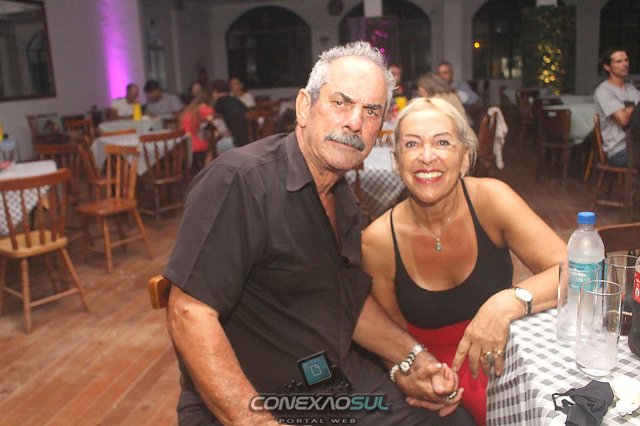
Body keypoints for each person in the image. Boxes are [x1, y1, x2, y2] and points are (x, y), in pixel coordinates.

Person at [163, 41, 474, 425]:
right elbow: (189, 313)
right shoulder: (239, 182)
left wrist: (414, 359)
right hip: (256, 400)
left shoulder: (343, 200)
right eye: (341, 103)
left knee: (454, 420)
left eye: (371, 111)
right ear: (303, 107)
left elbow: (348, 302)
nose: (355, 122)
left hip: (329, 384)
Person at [361, 97, 566, 426]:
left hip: (504, 354)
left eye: (442, 142)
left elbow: (574, 270)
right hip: (434, 370)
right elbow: (391, 338)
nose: (427, 156)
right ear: (397, 162)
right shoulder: (378, 240)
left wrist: (507, 302)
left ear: (465, 158)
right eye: (412, 144)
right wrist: (410, 374)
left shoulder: (492, 199)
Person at [593, 48, 640, 166]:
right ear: (607, 67)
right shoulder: (604, 91)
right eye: (619, 62)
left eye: (626, 60)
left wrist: (627, 110)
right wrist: (636, 110)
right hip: (620, 150)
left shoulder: (632, 90)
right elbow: (623, 120)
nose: (625, 64)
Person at [210, 79, 249, 155]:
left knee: (216, 146)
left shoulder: (219, 103)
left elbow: (216, 121)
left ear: (215, 92)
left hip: (237, 142)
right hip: (250, 138)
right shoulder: (237, 101)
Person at [180, 82, 214, 171]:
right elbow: (212, 119)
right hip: (193, 143)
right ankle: (208, 171)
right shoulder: (203, 108)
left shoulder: (189, 109)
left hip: (183, 142)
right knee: (212, 145)